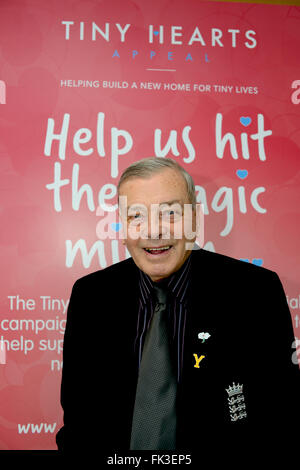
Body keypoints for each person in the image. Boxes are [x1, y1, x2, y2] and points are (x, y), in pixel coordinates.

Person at [56, 157, 299, 454]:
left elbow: (281, 418)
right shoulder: (91, 297)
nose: (153, 232)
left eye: (170, 213)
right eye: (136, 217)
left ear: (195, 219)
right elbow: (79, 422)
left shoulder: (254, 293)